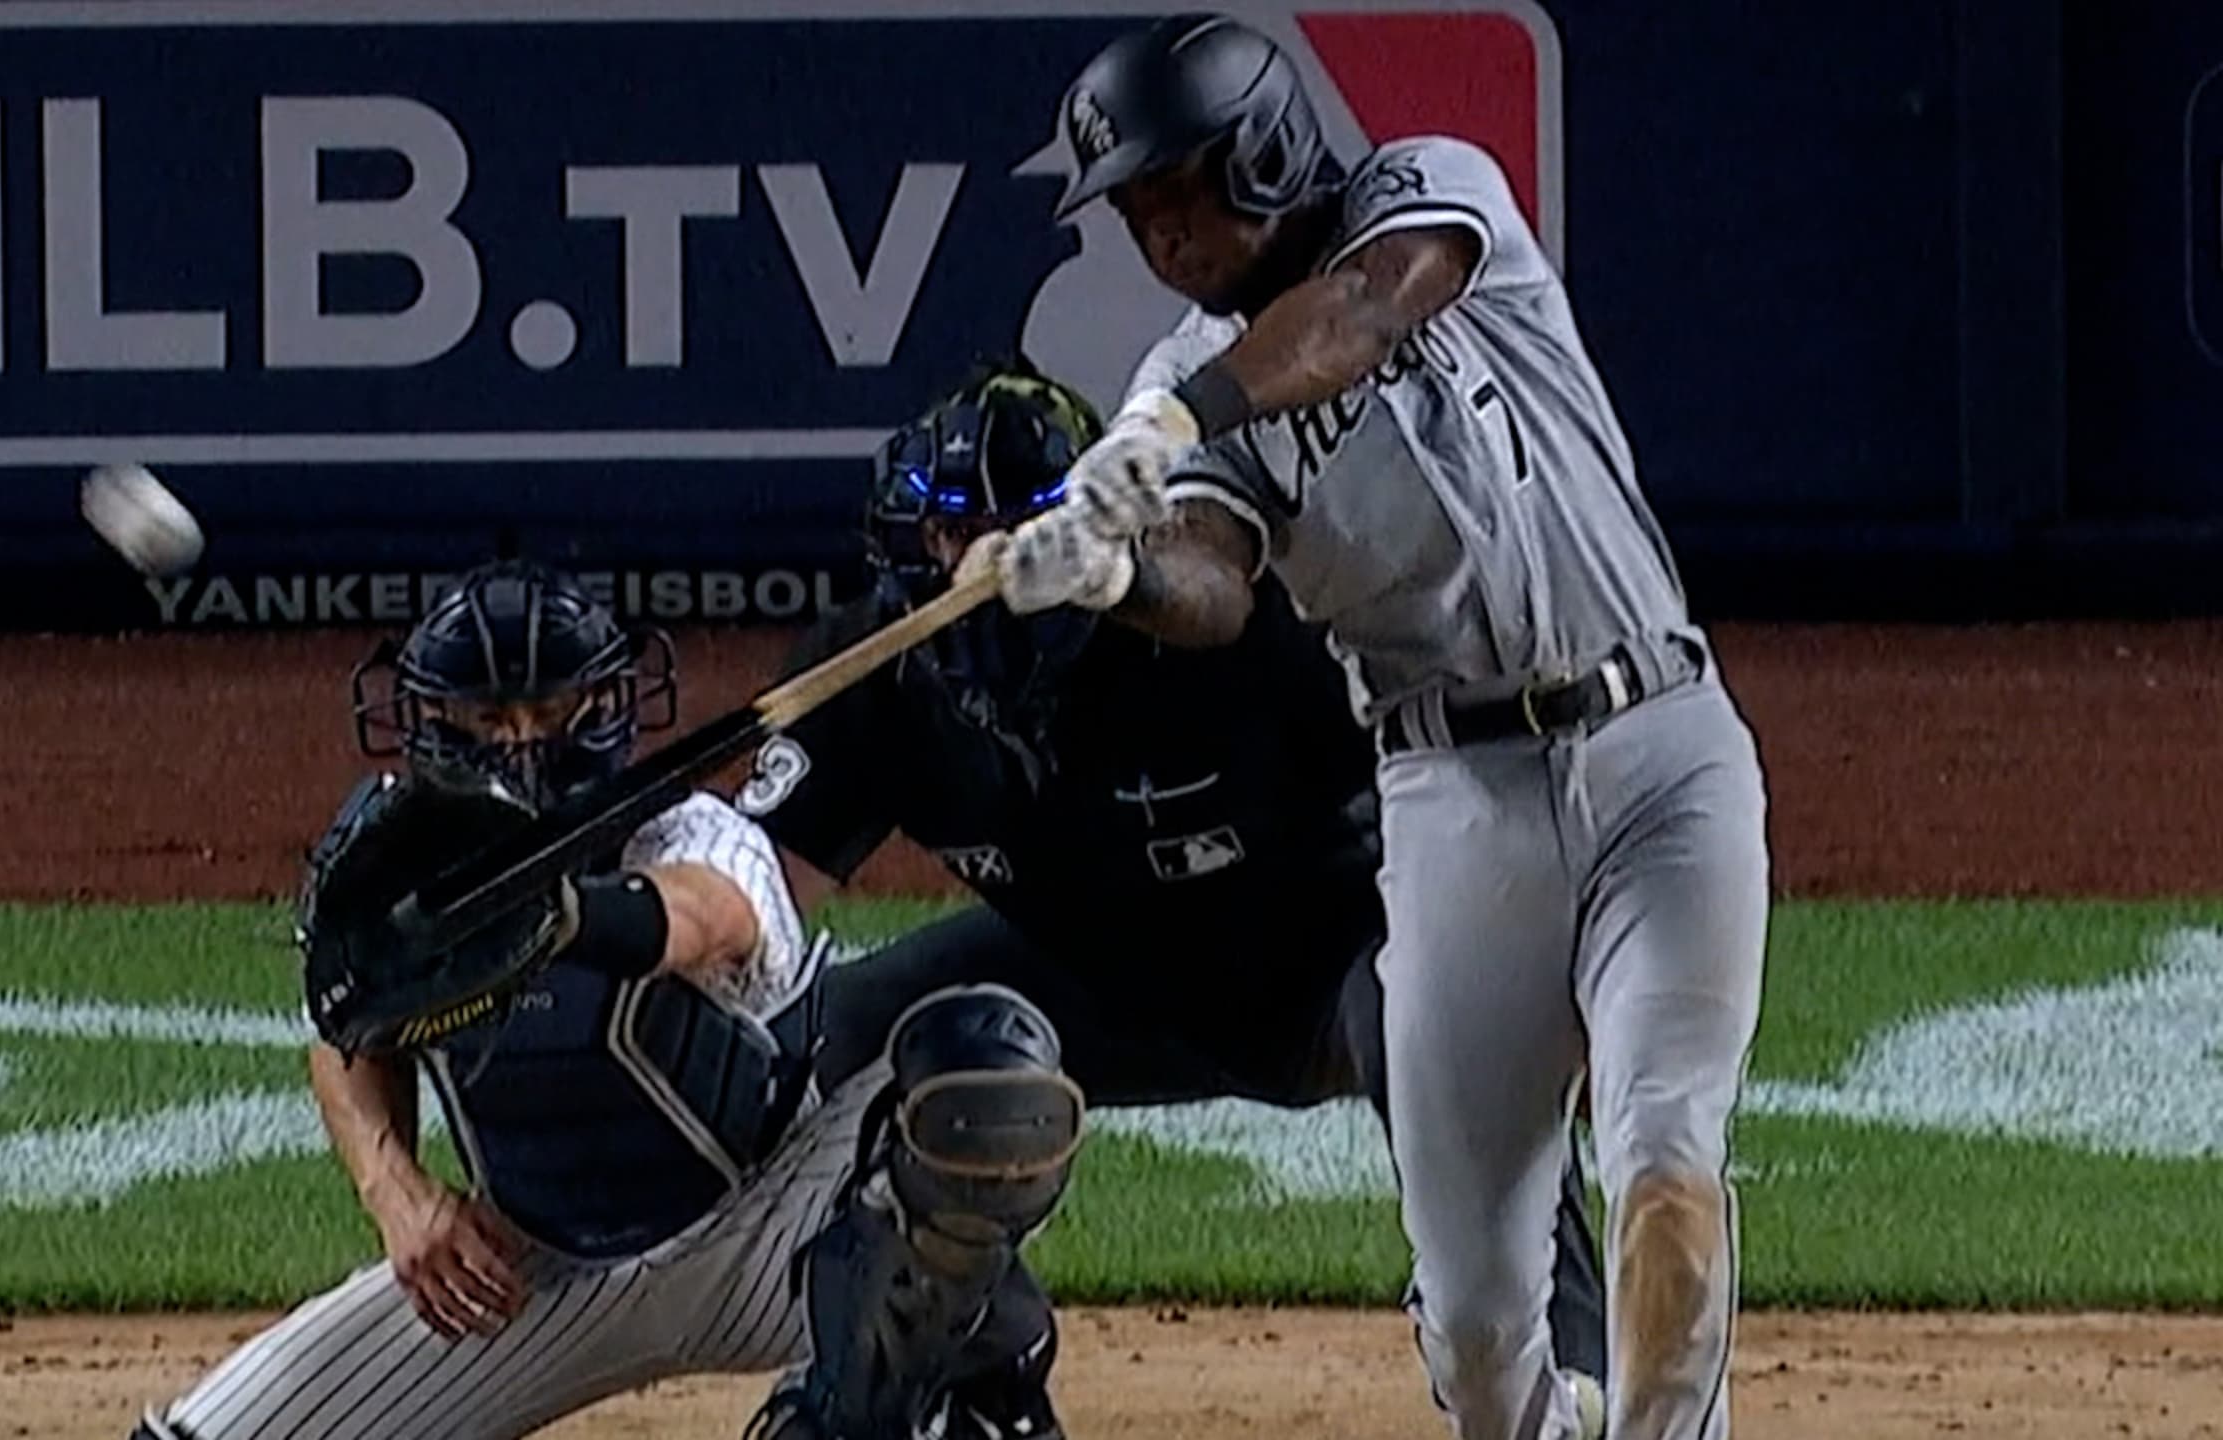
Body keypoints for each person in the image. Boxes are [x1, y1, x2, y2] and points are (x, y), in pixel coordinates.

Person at [981, 15, 1773, 1440]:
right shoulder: (1184, 388)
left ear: (1269, 147)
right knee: (1476, 1323)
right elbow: (1216, 589)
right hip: (1457, 814)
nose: (1157, 234)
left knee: (1667, 1158)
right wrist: (1111, 574)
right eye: (1135, 212)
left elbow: (1359, 316)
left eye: (1178, 190)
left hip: (1662, 750)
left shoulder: (1427, 191)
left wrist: (1163, 428)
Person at [733, 358, 1612, 1440]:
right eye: (946, 535)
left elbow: (1470, 786)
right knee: (845, 1036)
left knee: (1434, 1011)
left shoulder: (1237, 632)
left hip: (1327, 976)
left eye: (1022, 528)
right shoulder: (876, 672)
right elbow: (748, 904)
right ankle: (966, 1387)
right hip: (1095, 992)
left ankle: (1575, 1380)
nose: (978, 564)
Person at [130, 559, 1086, 1440]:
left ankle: (873, 1411)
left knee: (982, 1072)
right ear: (428, 724)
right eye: (483, 718)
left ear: (607, 709)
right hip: (530, 1272)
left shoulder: (694, 832)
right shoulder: (403, 878)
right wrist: (399, 1193)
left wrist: (550, 914)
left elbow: (707, 921)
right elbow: (346, 1030)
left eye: (550, 710)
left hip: (777, 1231)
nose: (519, 741)